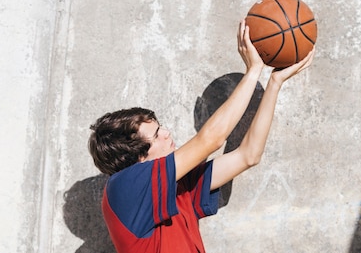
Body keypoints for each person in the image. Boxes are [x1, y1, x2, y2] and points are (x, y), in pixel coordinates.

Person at [88, 20, 315, 253]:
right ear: (138, 157)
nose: (167, 133)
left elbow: (249, 155)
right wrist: (253, 70)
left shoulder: (176, 185)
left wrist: (274, 83)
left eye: (161, 127)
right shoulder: (124, 187)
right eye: (156, 135)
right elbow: (211, 140)